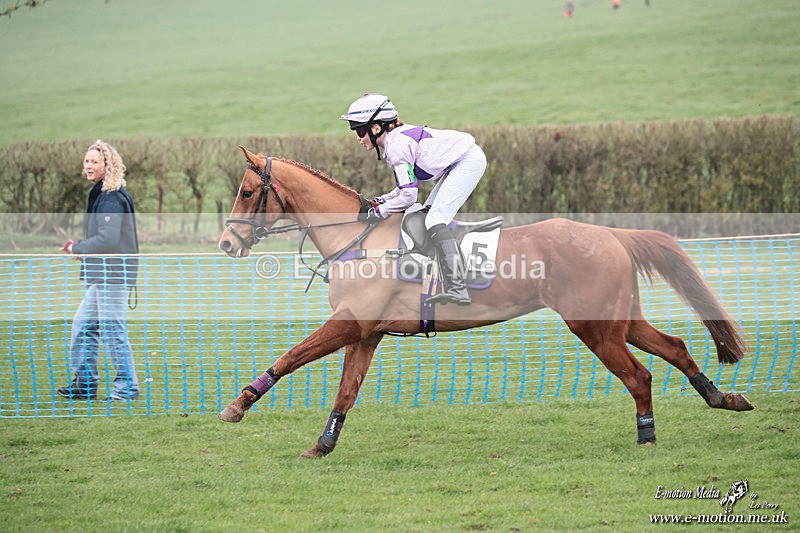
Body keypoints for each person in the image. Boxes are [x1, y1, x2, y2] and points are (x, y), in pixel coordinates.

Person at [340, 93, 487, 306]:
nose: (358, 137)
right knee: (424, 215)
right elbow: (404, 187)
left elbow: (409, 197)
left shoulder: (396, 147)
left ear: (376, 128)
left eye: (360, 130)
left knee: (435, 220)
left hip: (467, 161)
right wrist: (381, 200)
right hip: (458, 162)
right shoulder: (395, 141)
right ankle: (442, 272)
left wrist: (379, 212)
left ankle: (459, 288)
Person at [57, 140, 140, 401]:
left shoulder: (111, 197)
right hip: (101, 274)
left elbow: (108, 239)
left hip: (112, 275)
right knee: (82, 326)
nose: (88, 166)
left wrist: (77, 248)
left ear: (108, 164)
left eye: (94, 161)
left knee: (113, 330)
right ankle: (85, 385)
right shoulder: (103, 192)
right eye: (86, 161)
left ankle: (126, 390)